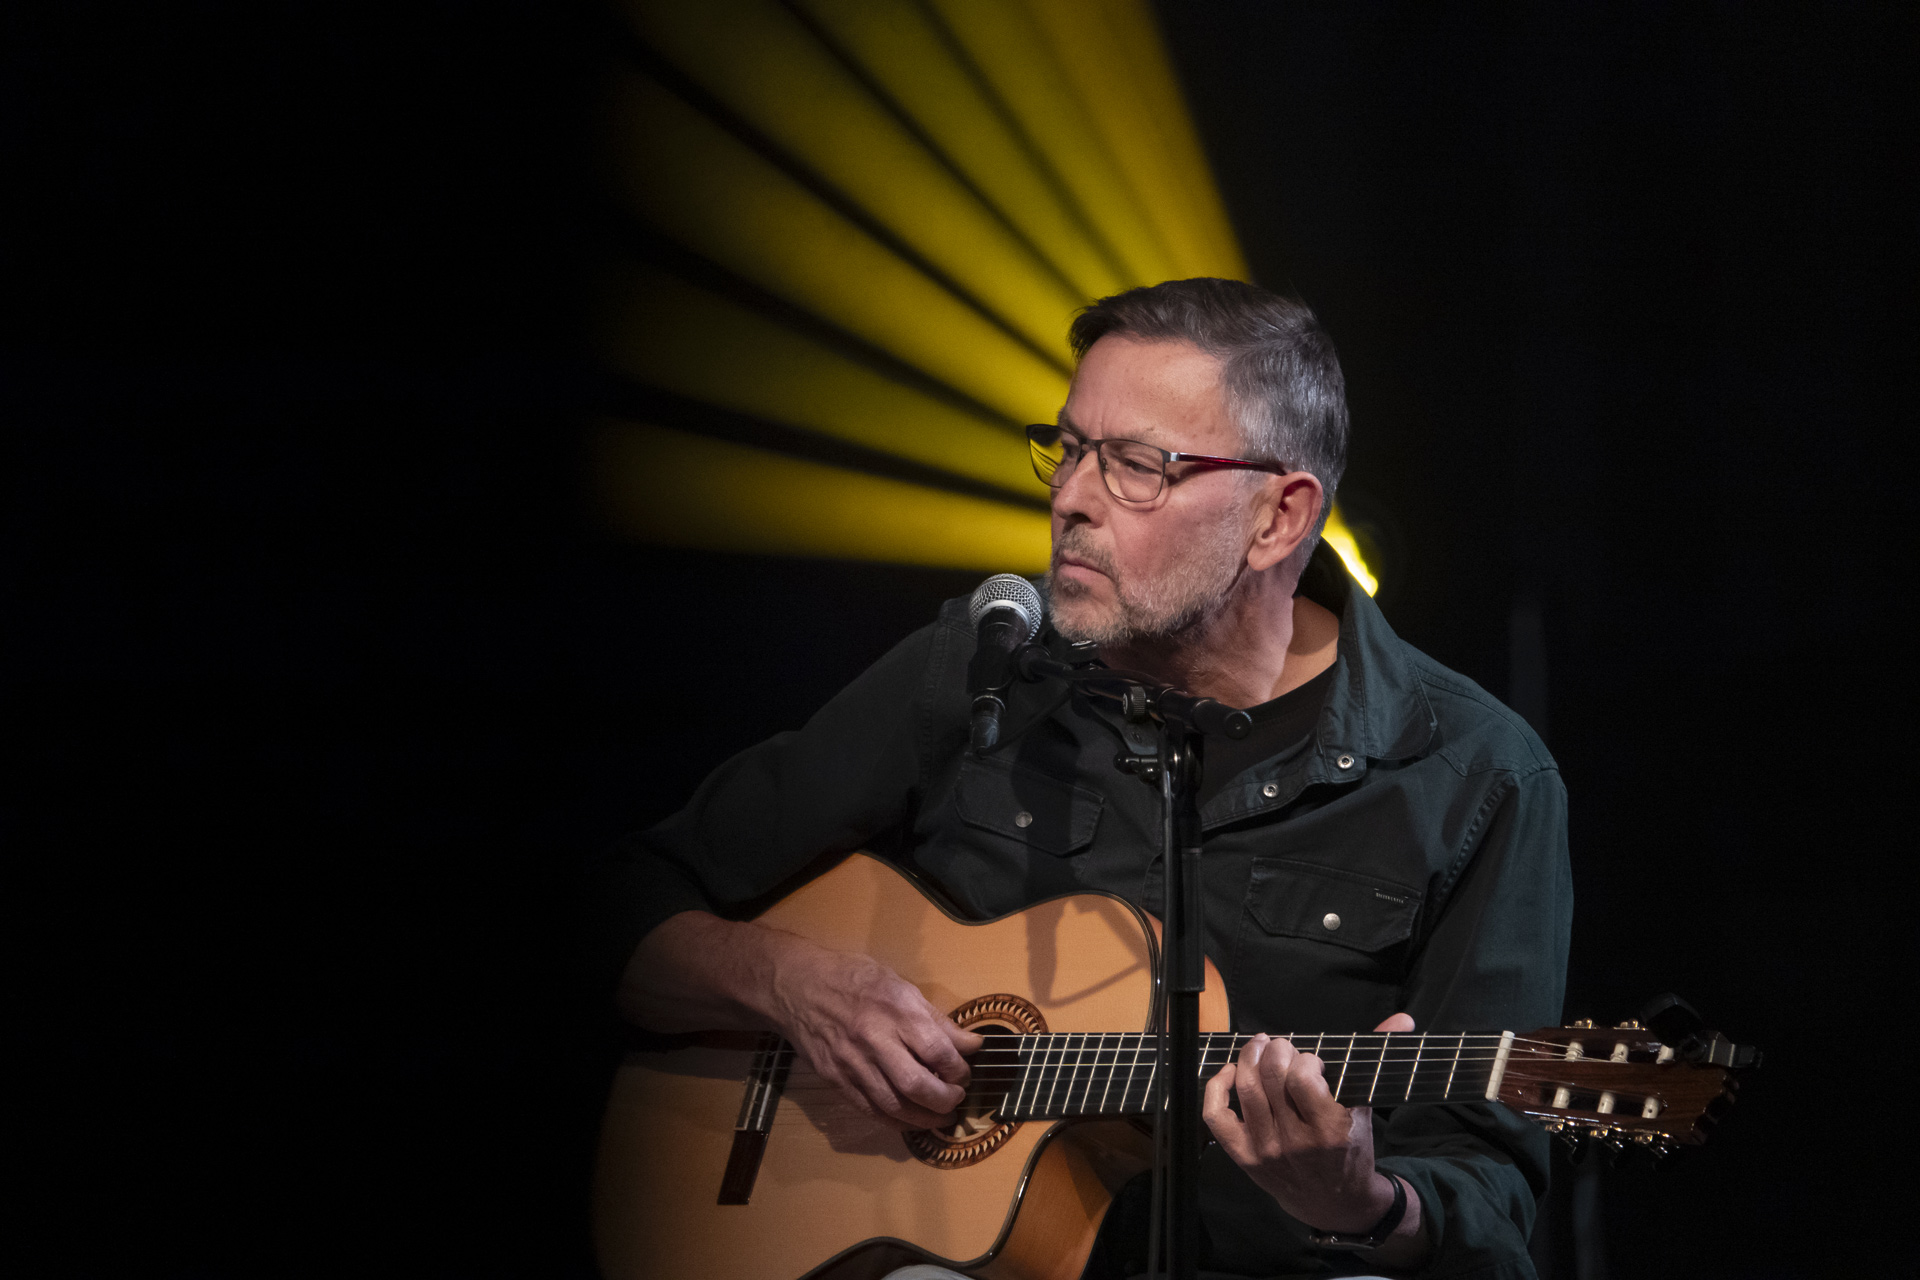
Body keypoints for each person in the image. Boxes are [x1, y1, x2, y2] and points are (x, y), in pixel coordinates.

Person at [605, 278, 1572, 1279]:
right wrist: (789, 981)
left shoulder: (1472, 772)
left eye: (1137, 467)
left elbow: (1489, 1200)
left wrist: (1364, 1205)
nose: (1069, 497)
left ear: (1279, 519)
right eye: (1068, 448)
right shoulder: (980, 668)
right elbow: (628, 897)